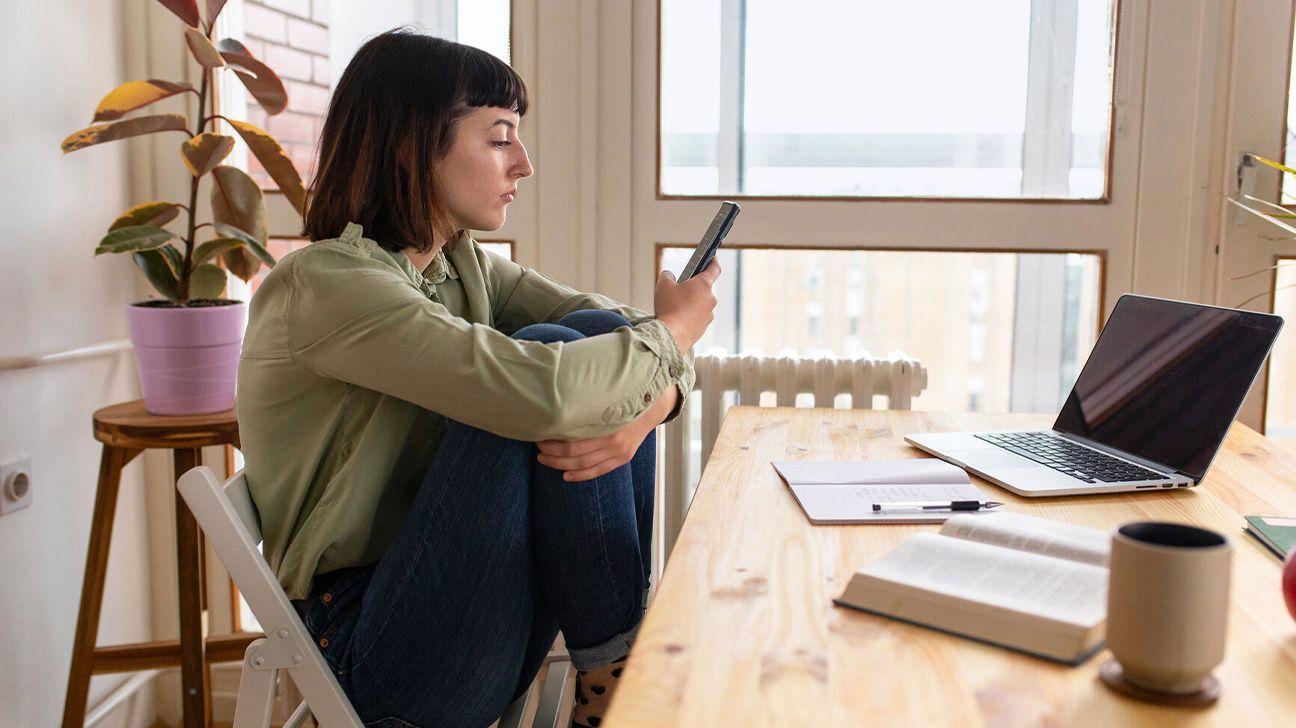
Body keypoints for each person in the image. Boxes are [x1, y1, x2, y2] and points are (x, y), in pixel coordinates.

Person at [236, 28, 720, 728]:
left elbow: (626, 337)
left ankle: (613, 670)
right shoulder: (328, 286)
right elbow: (554, 386)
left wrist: (649, 406)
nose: (523, 164)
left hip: (471, 613)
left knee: (591, 342)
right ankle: (617, 676)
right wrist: (673, 337)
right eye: (499, 138)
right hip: (373, 655)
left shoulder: (458, 265)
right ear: (412, 144)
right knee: (553, 359)